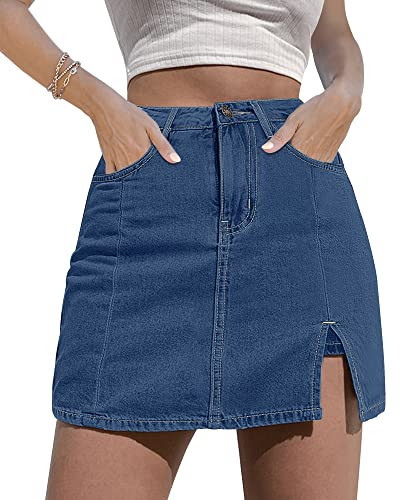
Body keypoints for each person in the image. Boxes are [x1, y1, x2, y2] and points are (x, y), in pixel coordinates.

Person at [0, 1, 385, 498]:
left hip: (297, 199)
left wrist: (347, 90)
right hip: (151, 191)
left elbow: (334, 28)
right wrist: (95, 101)